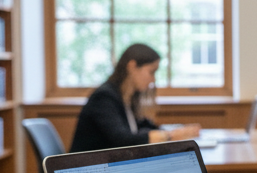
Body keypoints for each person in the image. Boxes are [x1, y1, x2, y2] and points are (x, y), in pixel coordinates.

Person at [69, 43, 201, 153]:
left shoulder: (124, 96)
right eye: (151, 72)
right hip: (90, 171)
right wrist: (170, 136)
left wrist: (175, 131)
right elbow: (124, 140)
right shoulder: (104, 97)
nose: (153, 79)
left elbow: (140, 126)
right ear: (132, 66)